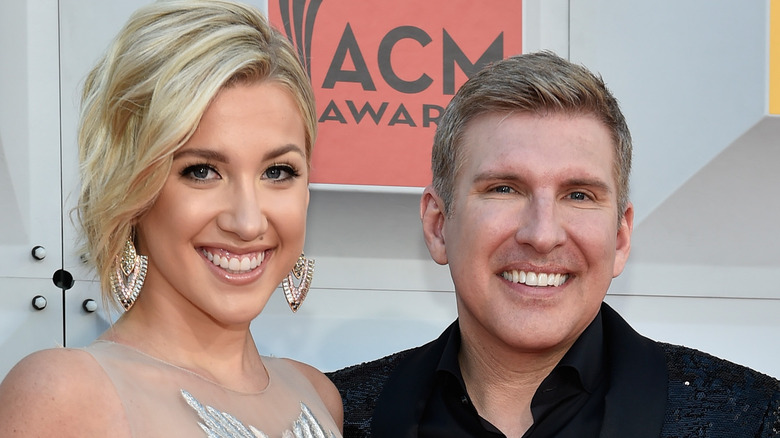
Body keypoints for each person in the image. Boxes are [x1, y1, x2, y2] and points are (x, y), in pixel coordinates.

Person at [328, 51, 780, 437]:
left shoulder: (754, 418)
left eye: (579, 195)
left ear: (621, 237)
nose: (542, 234)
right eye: (504, 188)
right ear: (437, 224)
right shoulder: (333, 419)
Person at [0, 1, 342, 436]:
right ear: (131, 188)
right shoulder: (65, 395)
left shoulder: (318, 394)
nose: (248, 221)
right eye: (201, 171)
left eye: (278, 172)